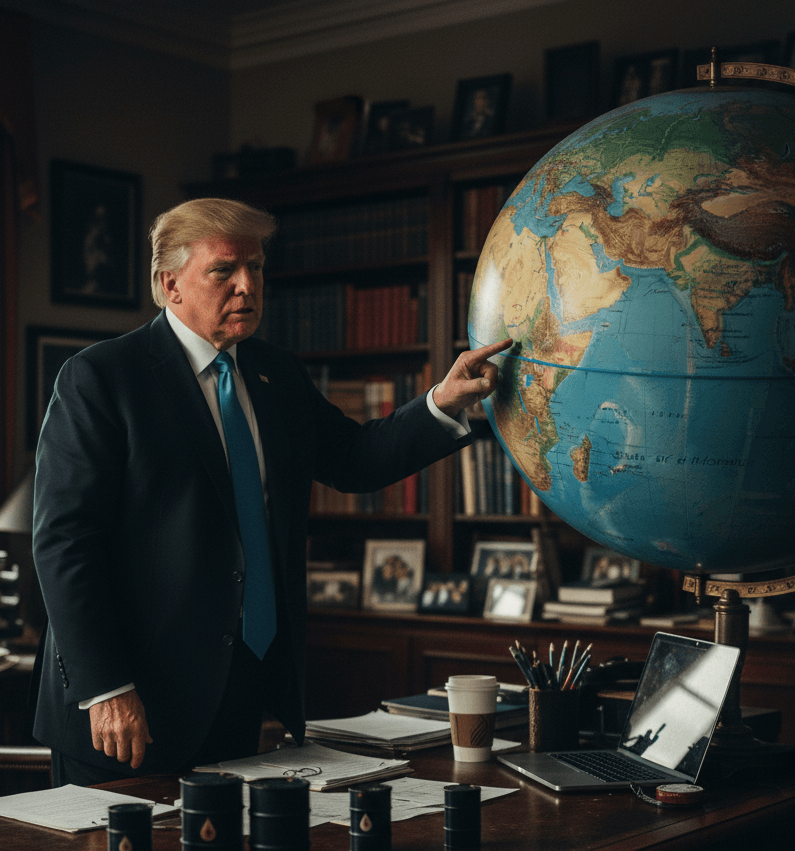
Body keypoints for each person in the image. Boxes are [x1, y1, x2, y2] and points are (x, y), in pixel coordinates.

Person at [31, 197, 512, 786]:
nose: (246, 285)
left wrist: (442, 401)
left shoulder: (275, 374)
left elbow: (354, 460)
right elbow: (65, 543)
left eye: (256, 268)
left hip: (243, 690)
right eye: (223, 270)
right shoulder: (100, 378)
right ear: (169, 284)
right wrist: (106, 687)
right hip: (130, 705)